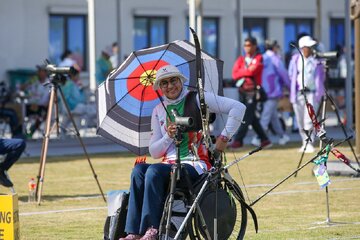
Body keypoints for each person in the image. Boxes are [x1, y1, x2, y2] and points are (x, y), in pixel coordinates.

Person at [120, 65, 246, 240]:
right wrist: (168, 136)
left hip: (196, 163)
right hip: (169, 164)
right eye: (164, 83)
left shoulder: (197, 99)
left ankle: (153, 229)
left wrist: (222, 140)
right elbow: (155, 152)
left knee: (154, 171)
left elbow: (238, 108)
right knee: (139, 171)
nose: (170, 86)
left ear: (181, 81)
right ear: (159, 88)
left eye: (173, 80)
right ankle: (133, 231)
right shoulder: (158, 111)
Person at [230, 36, 272, 149]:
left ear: (254, 46)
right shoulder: (241, 59)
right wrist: (246, 72)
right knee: (251, 117)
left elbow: (253, 71)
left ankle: (238, 140)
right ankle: (264, 139)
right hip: (242, 91)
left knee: (245, 116)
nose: (246, 48)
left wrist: (243, 72)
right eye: (245, 45)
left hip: (253, 92)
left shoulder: (259, 58)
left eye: (249, 45)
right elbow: (234, 74)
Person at [288, 35, 325, 153]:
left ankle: (309, 143)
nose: (311, 49)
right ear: (303, 48)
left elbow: (320, 78)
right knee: (299, 120)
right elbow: (291, 75)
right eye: (308, 47)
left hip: (312, 93)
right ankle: (304, 141)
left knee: (309, 119)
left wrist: (320, 94)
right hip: (299, 93)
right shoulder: (295, 59)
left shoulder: (316, 60)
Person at [252, 40, 290, 146]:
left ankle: (282, 136)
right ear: (274, 47)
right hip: (273, 91)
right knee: (267, 116)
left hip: (263, 91)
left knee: (273, 117)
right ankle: (259, 137)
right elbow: (283, 74)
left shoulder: (261, 58)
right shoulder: (275, 58)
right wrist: (290, 86)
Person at [22, 65, 50, 137]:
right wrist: (29, 82)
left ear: (45, 72)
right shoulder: (34, 81)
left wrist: (48, 103)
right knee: (21, 109)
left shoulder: (49, 83)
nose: (39, 73)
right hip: (32, 104)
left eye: (41, 71)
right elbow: (22, 88)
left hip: (43, 106)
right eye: (39, 71)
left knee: (42, 114)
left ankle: (32, 130)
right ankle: (22, 131)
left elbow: (52, 96)